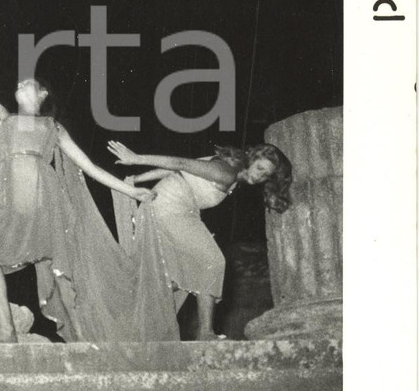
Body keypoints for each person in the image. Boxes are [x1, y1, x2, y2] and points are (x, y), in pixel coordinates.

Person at [0, 22, 178, 344]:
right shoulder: (3, 117)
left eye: (29, 82)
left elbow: (89, 167)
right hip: (8, 200)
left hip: (44, 199)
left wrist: (130, 190)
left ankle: (79, 338)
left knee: (58, 271)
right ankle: (7, 331)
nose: (20, 83)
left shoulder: (52, 127)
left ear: (43, 94)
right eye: (20, 82)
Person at [107, 140, 293, 340]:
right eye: (259, 168)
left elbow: (178, 173)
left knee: (176, 279)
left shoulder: (231, 166)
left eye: (265, 175)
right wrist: (136, 159)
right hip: (170, 207)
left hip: (169, 206)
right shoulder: (226, 172)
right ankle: (205, 333)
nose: (259, 177)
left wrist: (135, 179)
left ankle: (127, 321)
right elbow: (181, 164)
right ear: (251, 158)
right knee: (212, 262)